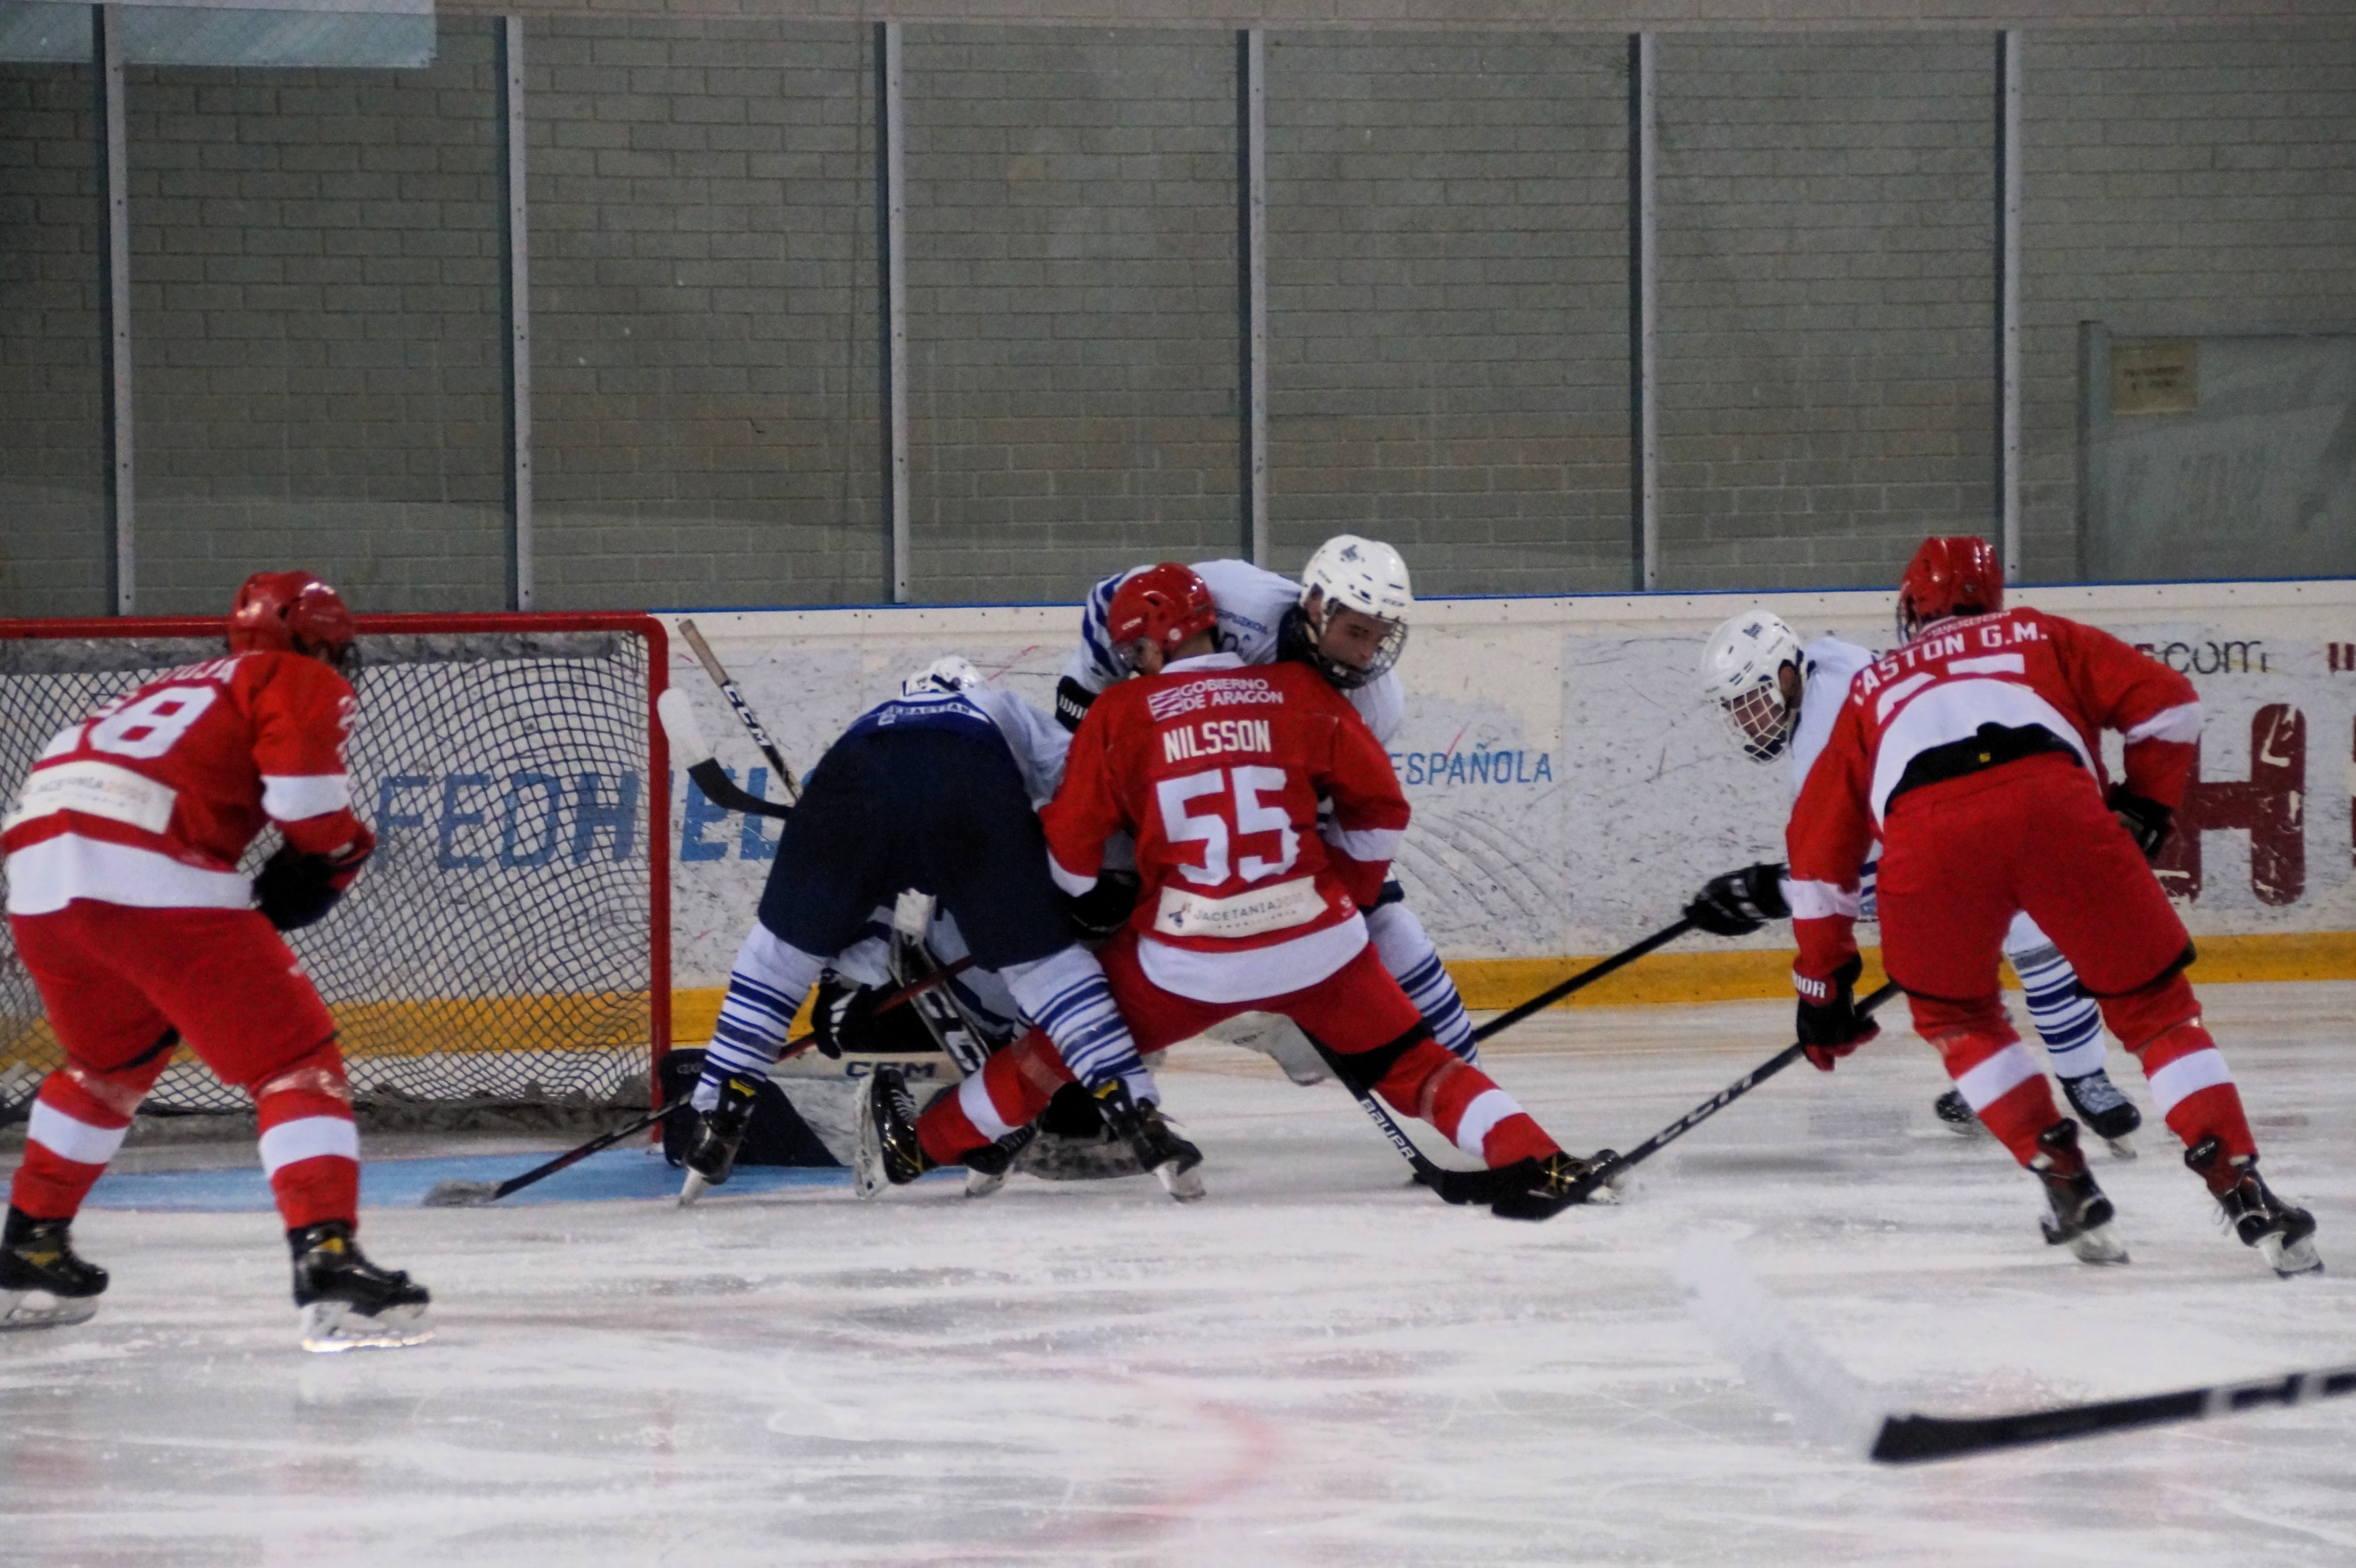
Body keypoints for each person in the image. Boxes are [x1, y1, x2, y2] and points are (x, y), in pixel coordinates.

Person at [860, 564, 1595, 1220]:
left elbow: (1072, 855)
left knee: (1057, 1051)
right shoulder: (1304, 689)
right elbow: (1380, 812)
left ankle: (919, 1148)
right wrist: (1335, 894)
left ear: (1152, 641)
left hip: (1185, 959)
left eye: (1135, 651)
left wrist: (1094, 903)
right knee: (1423, 1070)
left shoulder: (1118, 714)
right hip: (1322, 948)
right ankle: (1544, 1159)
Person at [1777, 536, 2318, 1274]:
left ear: (1910, 611)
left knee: (1959, 1020)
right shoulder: (2042, 633)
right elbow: (2172, 707)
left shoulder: (1873, 688)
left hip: (1928, 840)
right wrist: (2147, 807)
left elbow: (1818, 858)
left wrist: (1823, 985)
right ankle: (2242, 1183)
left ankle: (2063, 1176)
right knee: (2158, 1013)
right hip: (2058, 809)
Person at [0, 571, 432, 1349]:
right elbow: (305, 804)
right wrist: (335, 854)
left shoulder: (153, 690)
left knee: (105, 1067)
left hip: (37, 884)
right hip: (143, 873)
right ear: (317, 639)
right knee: (295, 1061)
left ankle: (30, 1245)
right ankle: (328, 1257)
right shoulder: (293, 673)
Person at [677, 656, 1151, 1203]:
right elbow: (1083, 782)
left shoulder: (871, 728)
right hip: (993, 904)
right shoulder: (1005, 714)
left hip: (874, 829)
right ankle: (1022, 1107)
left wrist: (843, 976)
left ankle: (721, 1105)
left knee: (775, 961)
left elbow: (857, 895)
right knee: (1036, 973)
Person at [1688, 607, 2142, 1156]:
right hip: (1959, 799)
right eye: (1733, 708)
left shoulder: (1820, 733)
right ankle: (1999, 1079)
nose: (1745, 719)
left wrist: (1766, 895)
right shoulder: (1829, 664)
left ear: (1785, 674)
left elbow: (1840, 879)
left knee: (2029, 938)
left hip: (1982, 790)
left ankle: (2081, 1075)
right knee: (1954, 950)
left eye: (1750, 699)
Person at [1055, 537, 1481, 1071]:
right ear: (1316, 605)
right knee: (1096, 896)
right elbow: (1116, 601)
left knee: (1377, 916)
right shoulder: (1235, 595)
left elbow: (1337, 818)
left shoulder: (1375, 703)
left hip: (1236, 803)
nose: (1366, 653)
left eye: (1379, 637)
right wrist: (1091, 704)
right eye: (1355, 632)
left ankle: (1458, 1065)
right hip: (1144, 750)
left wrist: (1322, 930)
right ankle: (1113, 1079)